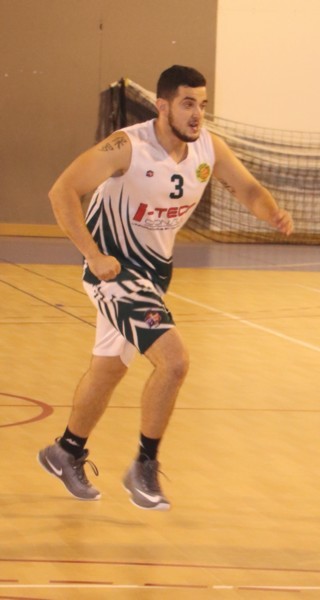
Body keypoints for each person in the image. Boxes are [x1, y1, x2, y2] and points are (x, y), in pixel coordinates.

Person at [38, 65, 293, 510]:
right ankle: (144, 465)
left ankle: (66, 450)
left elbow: (248, 189)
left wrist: (270, 212)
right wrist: (93, 255)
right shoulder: (127, 146)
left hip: (153, 277)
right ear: (162, 106)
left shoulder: (209, 148)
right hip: (114, 273)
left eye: (203, 105)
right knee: (174, 362)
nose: (197, 115)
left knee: (108, 370)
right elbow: (62, 191)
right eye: (188, 104)